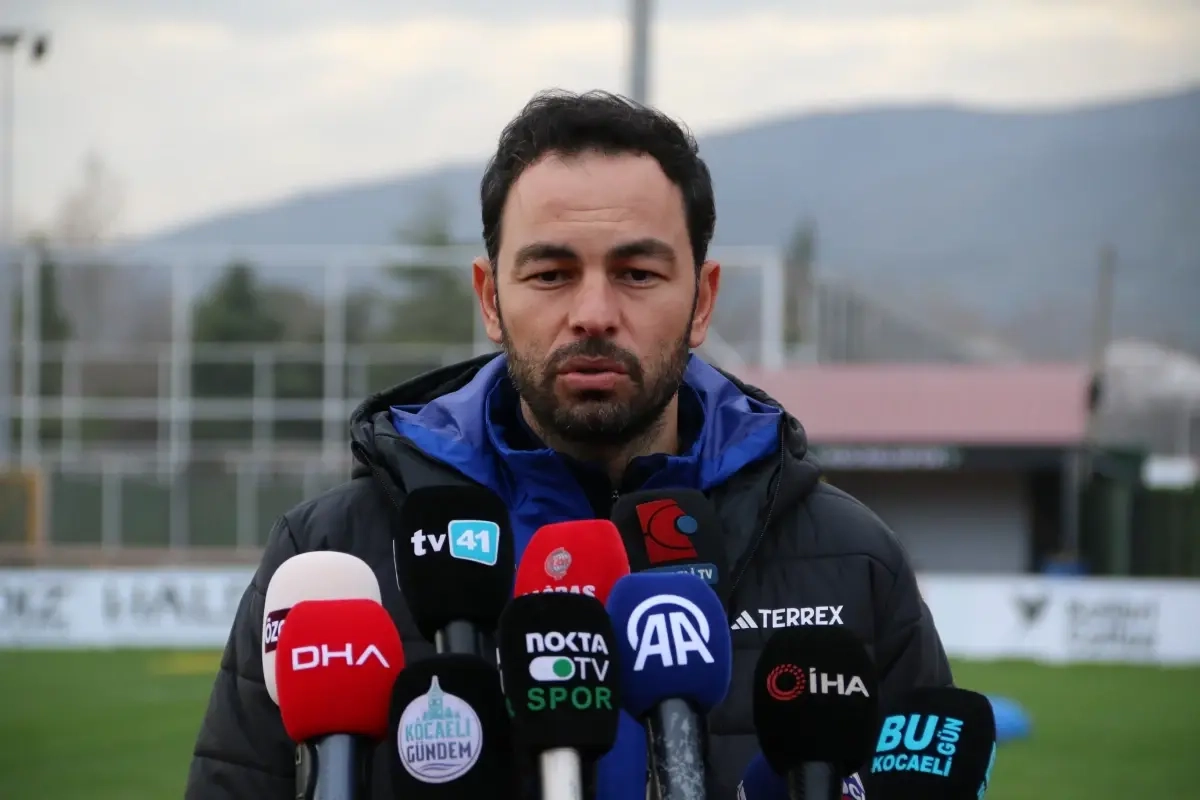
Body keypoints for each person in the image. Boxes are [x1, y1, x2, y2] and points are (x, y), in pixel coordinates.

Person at [185, 89, 953, 799]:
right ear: (491, 298)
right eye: (551, 273)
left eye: (637, 273)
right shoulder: (331, 558)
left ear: (702, 300)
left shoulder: (854, 562)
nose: (593, 313)